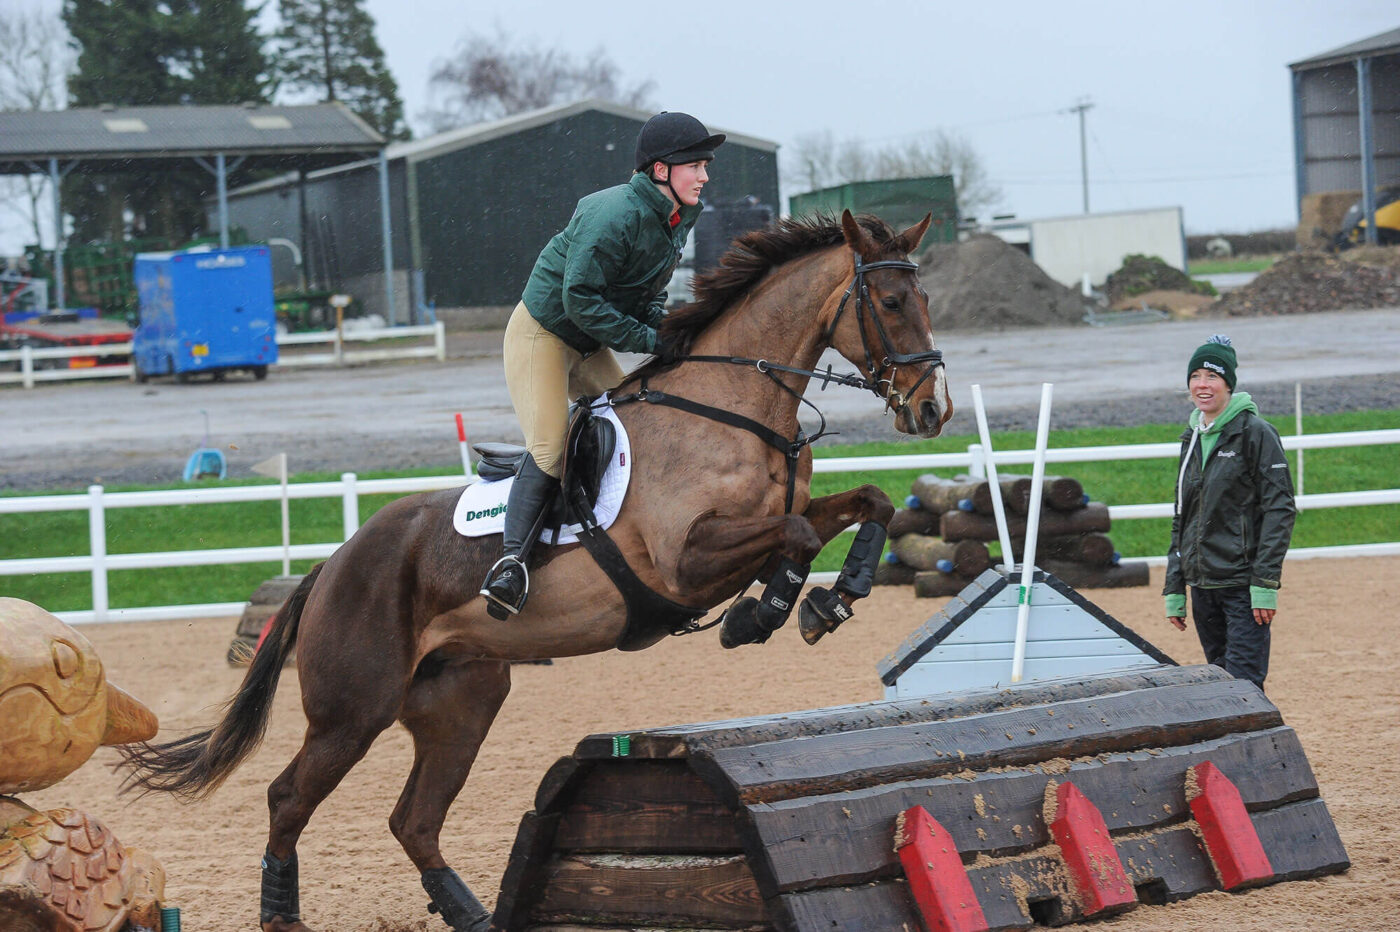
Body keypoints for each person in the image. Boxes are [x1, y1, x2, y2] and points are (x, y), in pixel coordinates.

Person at [479, 112, 725, 619]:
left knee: (645, 419)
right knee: (549, 450)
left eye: (705, 165)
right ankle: (509, 566)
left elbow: (649, 296)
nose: (704, 176)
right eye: (695, 166)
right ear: (661, 172)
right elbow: (581, 300)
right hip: (543, 337)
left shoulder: (677, 217)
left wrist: (668, 335)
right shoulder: (613, 213)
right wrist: (649, 339)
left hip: (588, 343)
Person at [1164, 334, 1296, 690]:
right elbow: (1182, 516)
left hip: (1242, 586)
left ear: (1228, 384)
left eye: (1212, 377)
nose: (1201, 385)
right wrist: (1175, 587)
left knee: (1244, 686)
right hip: (1202, 588)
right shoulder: (1191, 437)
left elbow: (1280, 509)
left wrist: (1265, 584)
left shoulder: (1256, 433)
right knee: (1221, 686)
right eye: (1195, 376)